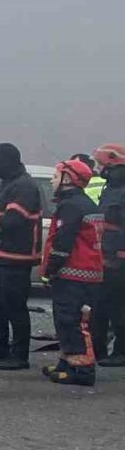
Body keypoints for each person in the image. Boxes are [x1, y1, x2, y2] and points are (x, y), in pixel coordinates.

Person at [0, 143, 44, 371]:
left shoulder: (25, 186)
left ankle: (20, 354)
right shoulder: (6, 184)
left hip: (16, 257)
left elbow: (10, 222)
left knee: (14, 306)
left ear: (7, 161)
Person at [38, 159, 103, 386]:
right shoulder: (80, 203)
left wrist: (49, 271)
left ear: (67, 179)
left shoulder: (72, 206)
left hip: (74, 274)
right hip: (79, 274)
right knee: (65, 320)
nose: (52, 180)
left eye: (55, 177)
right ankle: (67, 363)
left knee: (74, 321)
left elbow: (62, 243)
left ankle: (82, 371)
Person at [92, 143, 125, 367]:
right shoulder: (110, 189)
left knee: (119, 307)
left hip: (119, 259)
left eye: (104, 166)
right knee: (100, 305)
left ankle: (121, 351)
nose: (100, 170)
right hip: (104, 256)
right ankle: (98, 349)